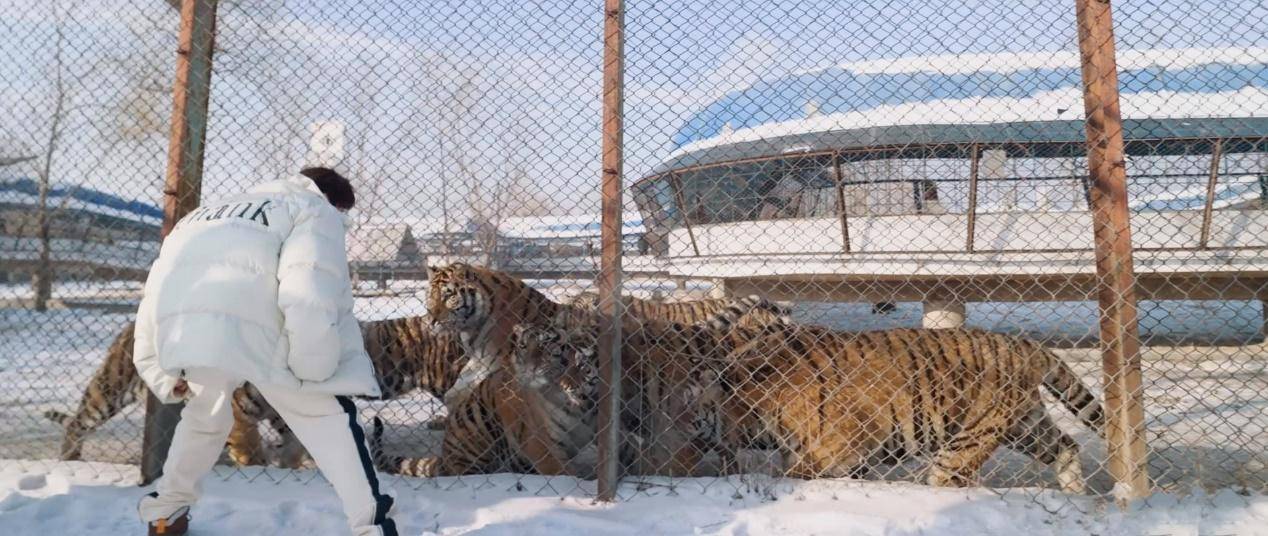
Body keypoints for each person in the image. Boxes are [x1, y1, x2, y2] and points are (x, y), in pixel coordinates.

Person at [132, 167, 398, 536]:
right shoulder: (313, 209)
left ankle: (166, 515)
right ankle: (372, 526)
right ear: (331, 200)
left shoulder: (200, 216)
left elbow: (154, 292)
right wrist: (313, 368)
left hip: (194, 331)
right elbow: (307, 287)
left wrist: (157, 367)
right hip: (264, 331)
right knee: (328, 420)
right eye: (343, 214)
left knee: (204, 417)